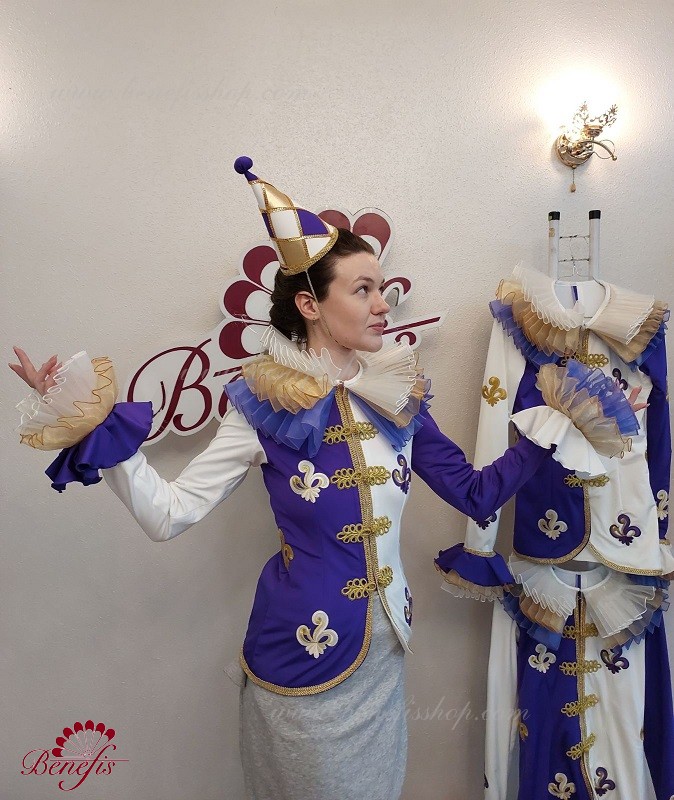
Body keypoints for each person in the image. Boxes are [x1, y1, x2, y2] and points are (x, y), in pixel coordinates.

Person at [10, 157, 642, 800]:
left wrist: (561, 423)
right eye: (362, 289)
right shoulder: (261, 407)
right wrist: (83, 420)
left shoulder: (398, 398)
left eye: (381, 288)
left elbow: (476, 494)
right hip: (299, 660)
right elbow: (167, 514)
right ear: (310, 304)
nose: (381, 304)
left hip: (385, 654)